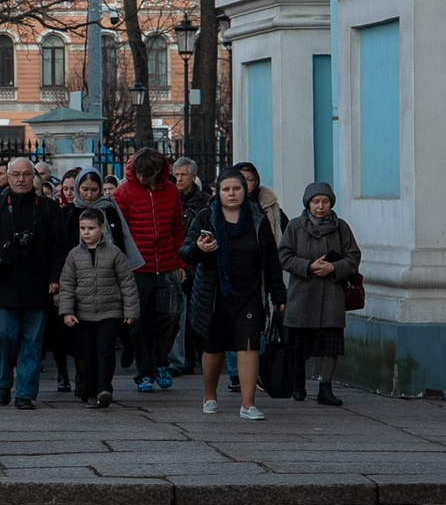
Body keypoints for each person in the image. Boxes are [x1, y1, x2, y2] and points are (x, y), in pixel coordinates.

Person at [182, 170, 285, 421]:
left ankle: (248, 405)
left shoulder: (257, 218)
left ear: (245, 190)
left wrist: (279, 296)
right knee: (214, 346)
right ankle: (210, 396)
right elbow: (185, 253)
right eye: (226, 189)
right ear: (217, 191)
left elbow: (271, 260)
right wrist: (199, 248)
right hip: (215, 293)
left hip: (249, 292)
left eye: (236, 189)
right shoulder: (207, 217)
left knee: (248, 345)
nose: (231, 194)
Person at [0, 157, 63, 409]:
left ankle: (25, 393)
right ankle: (3, 381)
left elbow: (59, 247)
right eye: (16, 174)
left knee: (32, 340)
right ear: (8, 178)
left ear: (34, 177)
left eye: (26, 174)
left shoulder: (47, 207)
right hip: (2, 282)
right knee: (1, 334)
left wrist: (55, 279)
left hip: (38, 283)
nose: (21, 179)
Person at [279, 181, 360, 405]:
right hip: (302, 295)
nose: (321, 206)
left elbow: (353, 256)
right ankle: (298, 385)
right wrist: (308, 266)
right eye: (316, 202)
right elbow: (284, 255)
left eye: (325, 202)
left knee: (330, 344)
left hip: (332, 295)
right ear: (308, 204)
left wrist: (334, 268)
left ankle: (326, 388)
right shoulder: (295, 226)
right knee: (298, 345)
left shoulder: (341, 227)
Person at [115, 150, 186, 392]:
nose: (143, 178)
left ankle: (160, 359)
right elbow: (119, 234)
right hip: (137, 266)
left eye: (148, 174)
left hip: (167, 262)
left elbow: (178, 228)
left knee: (172, 315)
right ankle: (145, 371)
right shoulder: (123, 193)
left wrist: (181, 263)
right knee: (138, 321)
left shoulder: (171, 191)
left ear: (158, 171)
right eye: (139, 174)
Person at [56, 208, 140, 409]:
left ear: (102, 228)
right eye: (83, 228)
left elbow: (127, 283)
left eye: (91, 228)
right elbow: (66, 285)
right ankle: (90, 390)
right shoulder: (74, 255)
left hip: (110, 312)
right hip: (83, 315)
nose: (86, 232)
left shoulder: (114, 253)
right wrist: (67, 312)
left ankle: (104, 389)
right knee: (86, 353)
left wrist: (130, 311)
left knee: (105, 351)